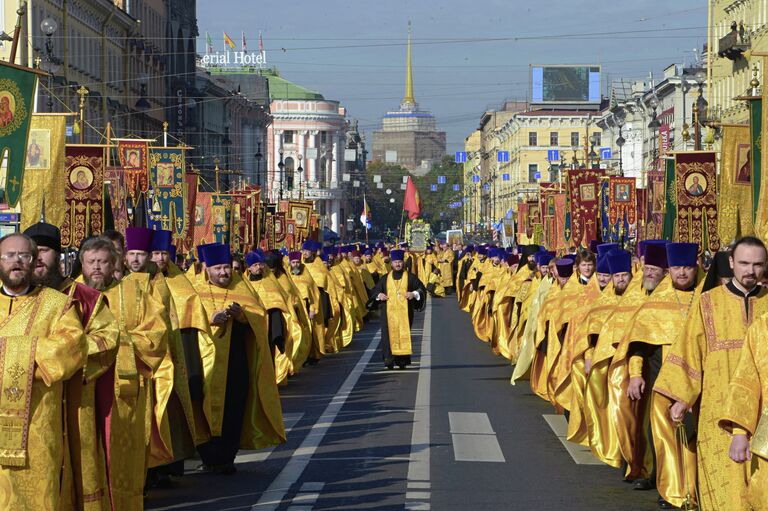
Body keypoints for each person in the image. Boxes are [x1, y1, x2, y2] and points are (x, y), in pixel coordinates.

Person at [653, 236, 768, 511]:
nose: (749, 271)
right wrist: (683, 397)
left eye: (757, 265)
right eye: (743, 263)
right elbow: (690, 350)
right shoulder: (707, 303)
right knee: (724, 495)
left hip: (763, 417)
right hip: (717, 417)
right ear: (731, 263)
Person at [24, 223, 119, 509]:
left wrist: (64, 356)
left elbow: (107, 338)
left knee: (75, 468)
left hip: (75, 398)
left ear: (61, 256)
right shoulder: (14, 298)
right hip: (29, 403)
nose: (39, 258)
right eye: (33, 252)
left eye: (46, 251)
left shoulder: (85, 297)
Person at [80, 234, 168, 508]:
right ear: (81, 264)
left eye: (103, 262)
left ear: (114, 264)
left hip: (124, 390)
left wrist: (117, 343)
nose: (97, 267)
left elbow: (156, 336)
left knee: (122, 453)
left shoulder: (135, 293)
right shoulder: (71, 295)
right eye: (91, 261)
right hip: (81, 389)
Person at [0, 233, 87, 510]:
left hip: (39, 424)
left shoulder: (56, 304)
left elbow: (71, 348)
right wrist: (34, 351)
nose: (16, 261)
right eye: (9, 255)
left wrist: (7, 354)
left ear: (34, 261)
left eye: (24, 256)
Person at [612, 243, 700, 506]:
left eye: (687, 268)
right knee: (660, 434)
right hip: (659, 374)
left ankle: (692, 490)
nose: (682, 273)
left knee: (693, 437)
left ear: (696, 269)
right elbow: (638, 343)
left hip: (696, 376)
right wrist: (636, 375)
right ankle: (669, 488)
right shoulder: (656, 302)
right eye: (676, 268)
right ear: (669, 270)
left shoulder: (706, 298)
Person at [193, 244, 285, 474]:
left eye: (226, 267)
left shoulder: (241, 287)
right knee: (203, 408)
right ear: (206, 269)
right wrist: (209, 319)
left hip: (236, 360)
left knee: (234, 407)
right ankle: (209, 455)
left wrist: (242, 315)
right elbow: (184, 320)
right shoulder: (192, 290)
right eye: (218, 268)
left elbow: (259, 315)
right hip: (204, 362)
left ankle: (227, 456)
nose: (224, 273)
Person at [367, 249, 426, 370]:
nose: (398, 264)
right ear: (392, 263)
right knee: (387, 336)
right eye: (395, 262)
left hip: (405, 313)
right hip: (388, 314)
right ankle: (389, 360)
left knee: (403, 334)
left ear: (402, 262)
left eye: (399, 262)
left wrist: (413, 294)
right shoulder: (385, 278)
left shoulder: (410, 277)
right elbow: (374, 290)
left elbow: (421, 288)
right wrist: (379, 295)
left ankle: (402, 361)